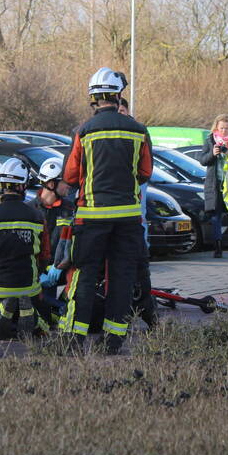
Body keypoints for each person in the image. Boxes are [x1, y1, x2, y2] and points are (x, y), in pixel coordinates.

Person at [60, 68, 152, 355]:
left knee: (84, 275)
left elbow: (70, 175)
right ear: (118, 95)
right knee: (122, 277)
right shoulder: (138, 130)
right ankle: (113, 340)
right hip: (128, 217)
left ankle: (75, 338)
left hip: (92, 217)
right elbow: (145, 172)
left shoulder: (84, 131)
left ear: (93, 97)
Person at [0, 159, 53, 338]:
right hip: (28, 286)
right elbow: (45, 255)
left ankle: (2, 310)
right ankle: (30, 315)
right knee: (47, 322)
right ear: (23, 186)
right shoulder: (37, 216)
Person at [118, 97, 157, 329]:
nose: (120, 113)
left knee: (138, 227)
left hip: (132, 193)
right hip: (118, 198)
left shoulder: (138, 131)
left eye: (123, 110)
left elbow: (146, 166)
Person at [198, 114, 228, 259]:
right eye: (221, 128)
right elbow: (202, 160)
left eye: (227, 128)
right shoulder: (210, 140)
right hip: (215, 184)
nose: (224, 131)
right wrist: (212, 154)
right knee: (216, 217)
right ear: (216, 127)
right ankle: (218, 249)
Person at [31, 157, 74, 320]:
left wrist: (61, 265)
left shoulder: (69, 209)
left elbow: (73, 241)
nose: (69, 185)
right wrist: (38, 274)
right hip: (37, 273)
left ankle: (64, 307)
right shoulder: (30, 210)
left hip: (60, 270)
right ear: (51, 184)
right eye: (64, 181)